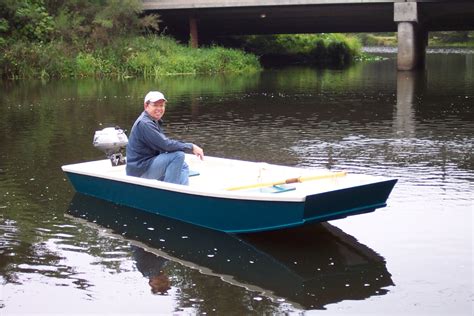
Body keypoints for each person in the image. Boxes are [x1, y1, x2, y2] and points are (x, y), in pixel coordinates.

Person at [126, 91, 204, 185]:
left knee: (183, 166)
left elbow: (163, 146)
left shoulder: (153, 121)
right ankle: (171, 192)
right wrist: (191, 146)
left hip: (147, 164)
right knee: (178, 156)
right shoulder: (145, 124)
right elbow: (165, 145)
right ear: (146, 106)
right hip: (139, 171)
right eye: (155, 105)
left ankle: (183, 192)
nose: (159, 108)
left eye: (162, 105)